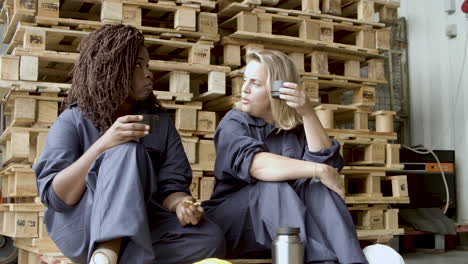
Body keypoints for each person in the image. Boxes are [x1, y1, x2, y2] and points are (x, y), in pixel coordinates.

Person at [33, 24, 225, 264]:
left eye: (147, 65)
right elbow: (57, 197)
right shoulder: (72, 120)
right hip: (83, 225)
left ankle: (112, 257)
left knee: (210, 239)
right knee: (125, 149)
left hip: (142, 223)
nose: (148, 73)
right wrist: (102, 146)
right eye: (137, 65)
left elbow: (171, 184)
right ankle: (106, 249)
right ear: (111, 70)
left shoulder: (158, 123)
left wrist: (182, 204)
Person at [202, 50, 368, 264]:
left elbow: (328, 169)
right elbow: (257, 165)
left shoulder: (296, 129)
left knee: (318, 185)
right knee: (273, 186)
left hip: (287, 233)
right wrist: (319, 169)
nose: (244, 88)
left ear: (279, 90)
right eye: (245, 80)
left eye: (255, 83)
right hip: (235, 225)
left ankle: (353, 261)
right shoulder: (234, 123)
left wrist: (307, 112)